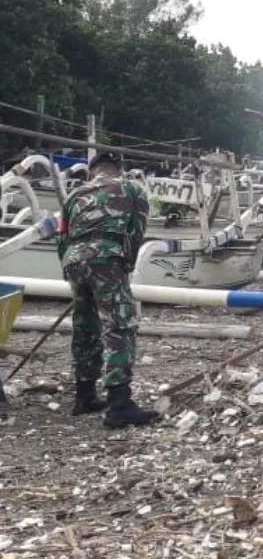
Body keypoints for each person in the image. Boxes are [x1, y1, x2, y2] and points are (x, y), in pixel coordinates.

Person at [56, 150, 160, 428]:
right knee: (119, 325)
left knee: (85, 324)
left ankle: (85, 395)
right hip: (107, 258)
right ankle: (119, 404)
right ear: (118, 169)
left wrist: (70, 268)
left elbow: (63, 236)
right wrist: (126, 264)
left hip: (73, 260)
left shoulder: (73, 195)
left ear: (92, 171)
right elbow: (136, 230)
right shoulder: (131, 189)